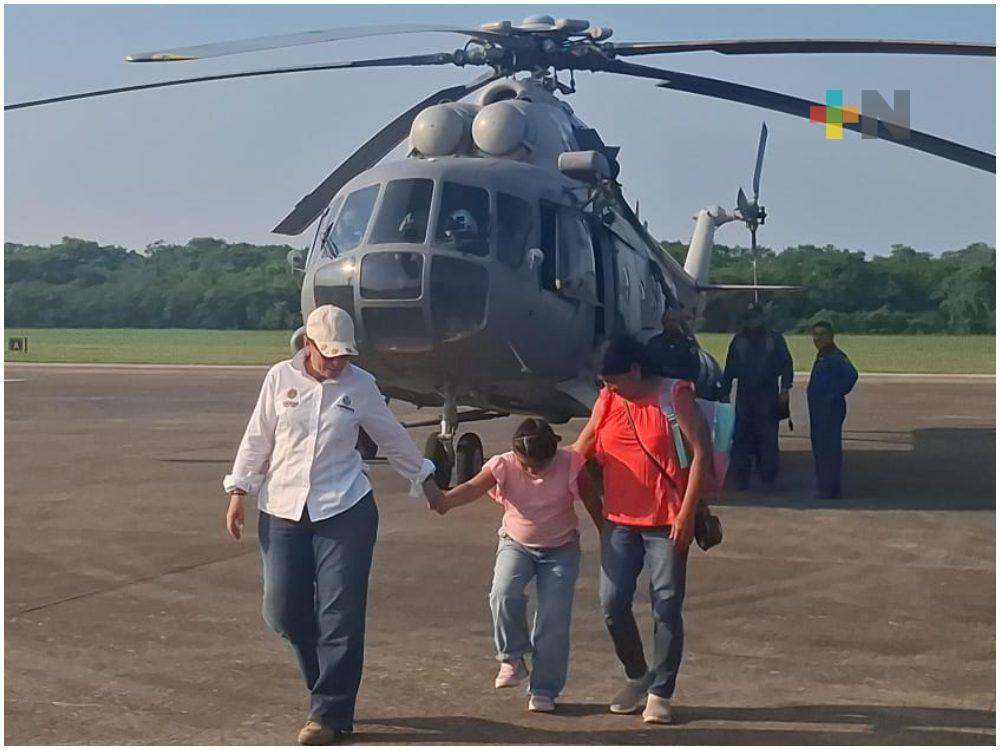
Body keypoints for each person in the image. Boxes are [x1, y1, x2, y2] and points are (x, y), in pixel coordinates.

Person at [222, 304, 438, 746]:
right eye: (330, 354)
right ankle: (325, 685)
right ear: (308, 344)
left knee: (340, 613)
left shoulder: (361, 386)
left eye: (344, 355)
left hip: (345, 508)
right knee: (283, 611)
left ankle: (329, 712)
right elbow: (258, 436)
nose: (338, 363)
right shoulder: (280, 378)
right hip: (283, 509)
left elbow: (391, 435)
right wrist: (239, 490)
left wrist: (425, 480)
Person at [573, 336, 710, 725]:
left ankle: (661, 691)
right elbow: (579, 453)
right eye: (604, 382)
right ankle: (638, 675)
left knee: (665, 606)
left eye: (614, 380)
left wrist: (686, 514)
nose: (609, 388)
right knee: (612, 603)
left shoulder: (674, 396)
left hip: (667, 520)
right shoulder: (607, 401)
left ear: (636, 369)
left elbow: (701, 453)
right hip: (619, 521)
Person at [424, 418, 602, 713]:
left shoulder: (571, 464)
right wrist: (445, 501)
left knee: (553, 619)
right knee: (502, 593)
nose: (532, 471)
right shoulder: (504, 464)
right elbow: (473, 487)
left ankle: (545, 689)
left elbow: (594, 504)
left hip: (561, 551)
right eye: (526, 464)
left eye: (540, 465)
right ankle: (512, 657)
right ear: (516, 453)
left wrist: (610, 540)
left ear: (553, 453)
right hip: (516, 544)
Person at [719, 303, 794, 489]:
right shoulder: (738, 340)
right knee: (741, 436)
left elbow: (787, 364)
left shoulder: (774, 340)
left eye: (755, 318)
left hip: (767, 393)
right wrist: (725, 393)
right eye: (749, 318)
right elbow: (729, 368)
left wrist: (785, 389)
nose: (753, 322)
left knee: (767, 434)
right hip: (745, 393)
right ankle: (741, 476)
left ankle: (768, 474)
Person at [807, 321, 858, 499]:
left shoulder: (836, 357)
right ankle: (825, 483)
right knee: (821, 446)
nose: (818, 338)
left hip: (829, 408)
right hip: (819, 409)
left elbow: (852, 375)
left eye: (822, 334)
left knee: (828, 447)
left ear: (831, 336)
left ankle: (829, 486)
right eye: (815, 335)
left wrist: (834, 393)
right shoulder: (823, 356)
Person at [645, 307, 700, 383]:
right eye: (668, 320)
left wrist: (670, 373)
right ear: (663, 322)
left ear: (678, 323)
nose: (671, 324)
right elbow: (646, 365)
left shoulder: (687, 344)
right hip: (656, 384)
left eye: (674, 320)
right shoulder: (654, 342)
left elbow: (693, 370)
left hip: (679, 384)